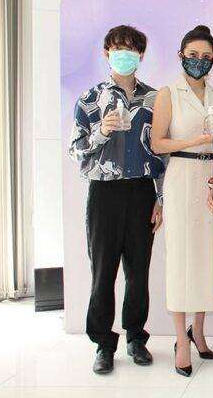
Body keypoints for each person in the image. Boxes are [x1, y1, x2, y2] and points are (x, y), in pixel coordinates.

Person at [68, 25, 164, 375]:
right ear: (107, 53)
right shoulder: (90, 98)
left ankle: (136, 337)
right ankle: (103, 344)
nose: (125, 54)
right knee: (102, 272)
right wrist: (102, 131)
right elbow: (76, 151)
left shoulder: (154, 99)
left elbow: (161, 154)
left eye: (131, 49)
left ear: (141, 55)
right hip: (104, 193)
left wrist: (160, 198)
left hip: (141, 191)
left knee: (138, 271)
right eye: (118, 48)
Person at [151, 25, 213, 377]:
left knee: (206, 258)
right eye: (193, 55)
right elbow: (158, 143)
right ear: (181, 55)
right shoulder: (168, 94)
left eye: (206, 56)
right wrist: (195, 140)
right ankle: (180, 340)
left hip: (212, 178)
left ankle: (198, 331)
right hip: (182, 177)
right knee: (181, 257)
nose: (199, 61)